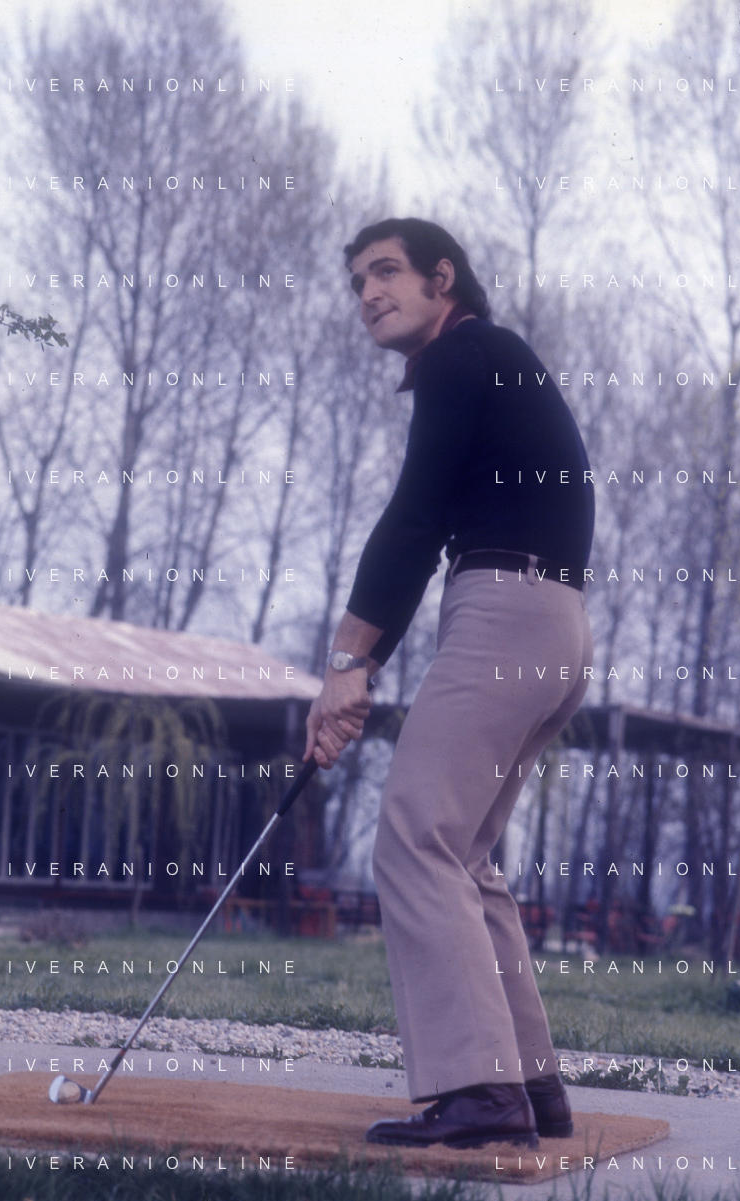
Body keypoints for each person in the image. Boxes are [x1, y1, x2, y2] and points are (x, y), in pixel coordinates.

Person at [304, 219, 594, 1149]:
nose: (369, 293)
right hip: (550, 617)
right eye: (358, 281)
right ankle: (529, 1085)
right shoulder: (485, 363)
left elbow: (414, 518)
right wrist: (362, 666)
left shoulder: (463, 355)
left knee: (414, 838)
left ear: (443, 279)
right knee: (462, 853)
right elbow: (427, 534)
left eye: (386, 272)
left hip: (506, 607)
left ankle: (479, 1092)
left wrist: (345, 665)